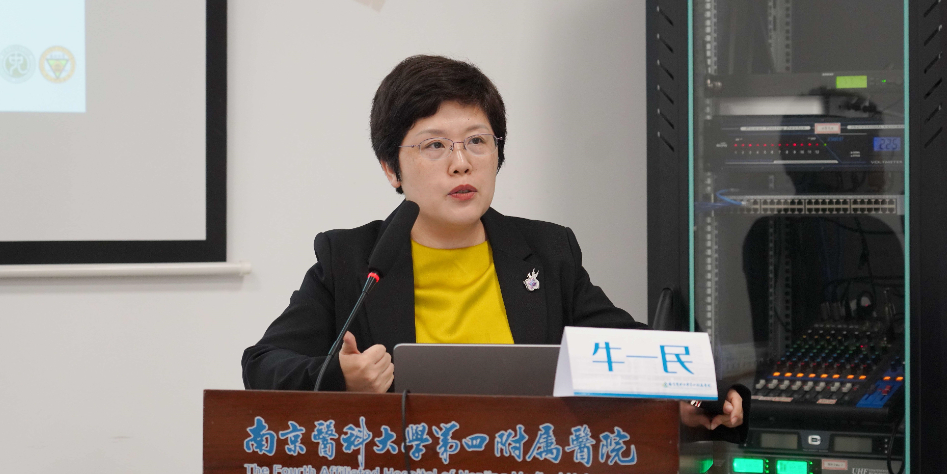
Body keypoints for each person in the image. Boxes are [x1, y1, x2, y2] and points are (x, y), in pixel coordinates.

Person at [242, 55, 743, 431]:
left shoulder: (547, 252)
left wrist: (692, 396)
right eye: (435, 145)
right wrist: (340, 378)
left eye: (478, 141)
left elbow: (623, 352)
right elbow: (263, 364)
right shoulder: (352, 261)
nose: (461, 163)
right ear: (391, 168)